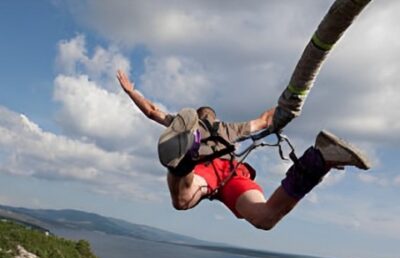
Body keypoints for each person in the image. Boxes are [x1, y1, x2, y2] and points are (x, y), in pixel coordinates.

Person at [117, 69, 370, 230]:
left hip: (210, 173)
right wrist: (288, 103)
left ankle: (183, 163)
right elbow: (264, 120)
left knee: (182, 201)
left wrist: (131, 92)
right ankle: (319, 160)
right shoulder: (229, 128)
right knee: (265, 218)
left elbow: (151, 111)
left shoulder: (192, 125)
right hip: (228, 174)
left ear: (197, 117)